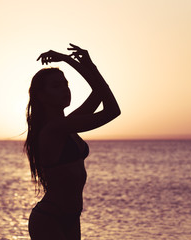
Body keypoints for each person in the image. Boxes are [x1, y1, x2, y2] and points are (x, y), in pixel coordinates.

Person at [25, 43, 121, 240]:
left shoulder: (67, 124)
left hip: (71, 218)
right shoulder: (54, 130)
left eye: (66, 84)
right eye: (56, 86)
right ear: (41, 96)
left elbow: (99, 92)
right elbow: (112, 110)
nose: (64, 90)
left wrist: (89, 64)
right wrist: (69, 60)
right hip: (49, 219)